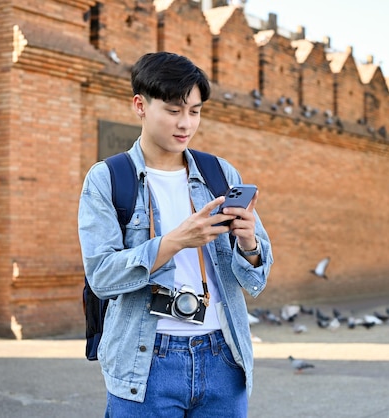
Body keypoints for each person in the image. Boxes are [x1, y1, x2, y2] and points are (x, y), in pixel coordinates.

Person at [78, 51, 273, 417]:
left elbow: (256, 278)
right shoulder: (107, 178)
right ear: (140, 105)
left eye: (195, 111)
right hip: (146, 362)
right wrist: (175, 242)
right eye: (173, 110)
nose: (185, 123)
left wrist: (248, 244)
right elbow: (101, 276)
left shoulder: (220, 173)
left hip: (222, 356)